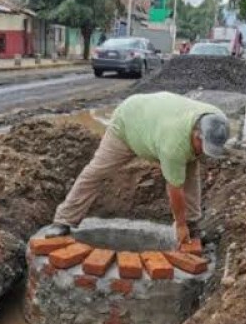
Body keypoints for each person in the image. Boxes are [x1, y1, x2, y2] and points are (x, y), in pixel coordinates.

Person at [43, 92, 230, 247]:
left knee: (191, 176)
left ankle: (192, 225)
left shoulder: (216, 120)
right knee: (96, 172)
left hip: (155, 123)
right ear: (196, 135)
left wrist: (186, 224)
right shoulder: (174, 145)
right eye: (203, 146)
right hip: (128, 123)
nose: (204, 153)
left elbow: (189, 176)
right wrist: (179, 225)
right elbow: (175, 189)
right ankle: (64, 220)